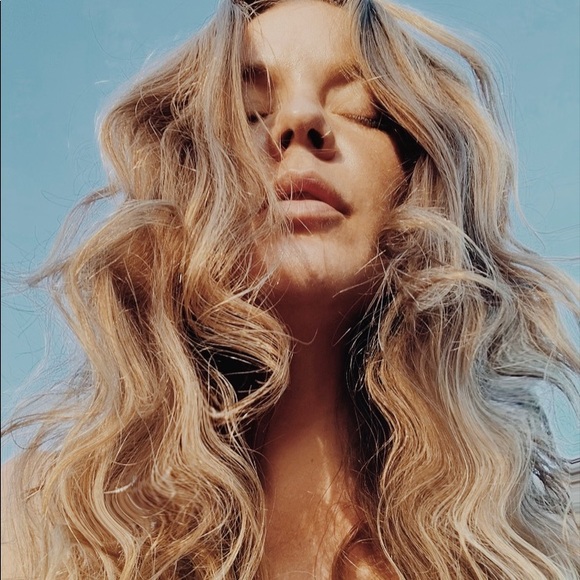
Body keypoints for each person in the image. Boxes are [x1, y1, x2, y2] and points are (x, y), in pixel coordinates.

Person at [2, 0, 579, 577]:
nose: (299, 121)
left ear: (415, 183)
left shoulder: (542, 547)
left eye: (361, 110)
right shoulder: (40, 525)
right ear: (190, 185)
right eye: (251, 111)